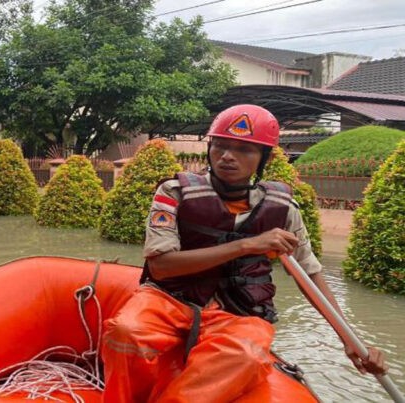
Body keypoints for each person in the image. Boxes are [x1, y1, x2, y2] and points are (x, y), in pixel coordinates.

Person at [100, 104, 387, 402]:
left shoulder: (284, 209)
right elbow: (160, 267)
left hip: (237, 312)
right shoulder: (173, 193)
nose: (227, 156)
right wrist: (248, 244)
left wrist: (349, 339)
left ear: (264, 157)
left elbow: (309, 273)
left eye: (244, 149)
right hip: (170, 299)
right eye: (220, 146)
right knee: (127, 330)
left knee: (248, 352)